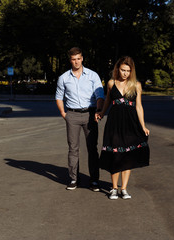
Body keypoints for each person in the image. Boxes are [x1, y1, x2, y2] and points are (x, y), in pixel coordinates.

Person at [95, 56, 150, 200]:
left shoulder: (136, 85)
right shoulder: (111, 83)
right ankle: (114, 188)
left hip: (131, 123)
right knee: (115, 154)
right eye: (123, 70)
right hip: (114, 122)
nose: (125, 73)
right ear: (117, 69)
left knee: (128, 155)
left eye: (128, 71)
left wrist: (143, 125)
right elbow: (107, 100)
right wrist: (101, 113)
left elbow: (139, 106)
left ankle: (123, 189)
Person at [56, 47, 105, 191]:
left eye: (78, 58)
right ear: (70, 60)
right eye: (73, 59)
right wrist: (63, 114)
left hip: (90, 114)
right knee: (73, 148)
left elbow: (100, 95)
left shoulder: (92, 75)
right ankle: (73, 179)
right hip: (72, 114)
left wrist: (98, 110)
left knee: (92, 148)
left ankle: (94, 180)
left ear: (82, 58)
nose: (76, 62)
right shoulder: (64, 78)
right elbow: (59, 97)